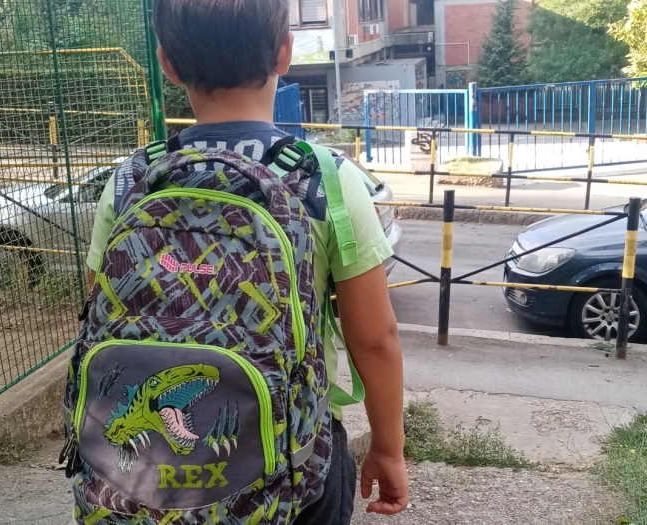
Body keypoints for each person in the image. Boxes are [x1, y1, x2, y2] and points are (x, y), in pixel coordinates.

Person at [82, 0, 408, 521]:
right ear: (285, 53)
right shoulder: (325, 180)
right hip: (293, 459)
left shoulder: (132, 180)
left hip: (146, 475)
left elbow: (101, 311)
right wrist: (389, 449)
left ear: (167, 64)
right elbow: (374, 338)